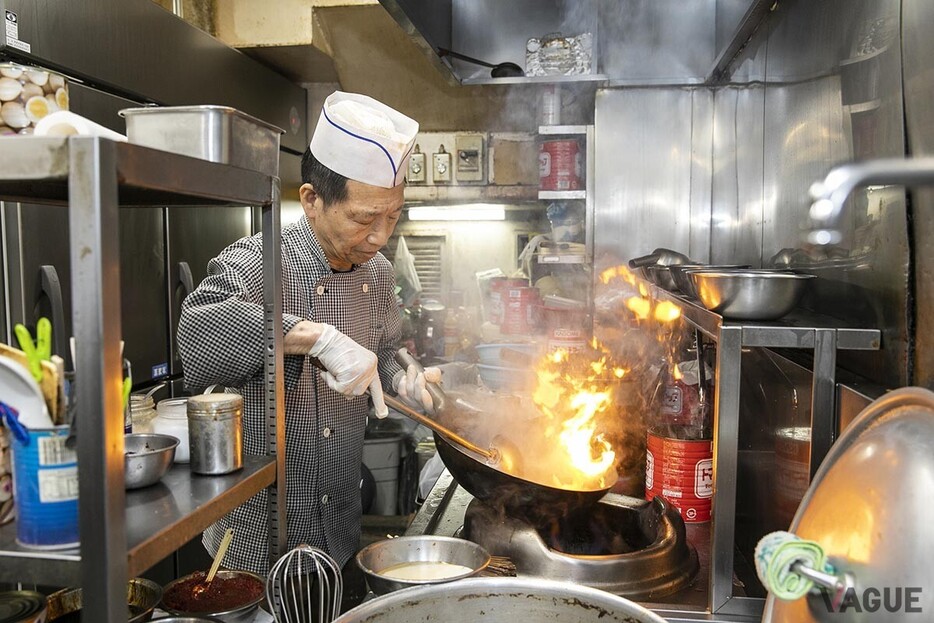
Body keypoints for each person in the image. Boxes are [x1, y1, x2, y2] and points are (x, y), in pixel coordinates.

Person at [177, 91, 436, 575]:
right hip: (252, 544)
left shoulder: (377, 274)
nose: (381, 237)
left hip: (338, 532)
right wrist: (315, 338)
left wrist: (405, 375)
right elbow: (196, 332)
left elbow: (386, 348)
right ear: (312, 201)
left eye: (393, 216)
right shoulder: (257, 261)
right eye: (364, 218)